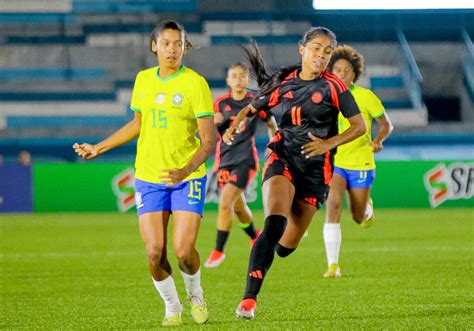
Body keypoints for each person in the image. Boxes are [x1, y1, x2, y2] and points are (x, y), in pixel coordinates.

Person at [73, 21, 216, 327]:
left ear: (184, 47)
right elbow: (138, 124)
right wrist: (99, 147)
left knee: (182, 250)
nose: (172, 49)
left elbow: (209, 140)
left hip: (186, 178)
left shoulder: (195, 84)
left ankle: (196, 293)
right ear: (154, 46)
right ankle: (172, 306)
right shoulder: (143, 80)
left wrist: (186, 170)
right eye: (165, 43)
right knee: (154, 252)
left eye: (178, 43)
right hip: (149, 178)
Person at [223, 27, 367, 319]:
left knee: (285, 248)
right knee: (274, 222)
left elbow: (359, 126)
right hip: (283, 156)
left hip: (316, 172)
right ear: (302, 49)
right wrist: (236, 122)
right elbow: (252, 108)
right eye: (316, 48)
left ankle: (290, 234)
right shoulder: (282, 82)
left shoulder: (334, 87)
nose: (321, 56)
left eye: (327, 51)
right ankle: (248, 300)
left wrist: (328, 143)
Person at [322, 45, 394, 278]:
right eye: (338, 69)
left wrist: (378, 140)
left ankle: (367, 211)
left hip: (362, 162)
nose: (342, 74)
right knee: (332, 205)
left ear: (355, 74)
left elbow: (386, 124)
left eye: (347, 70)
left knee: (357, 215)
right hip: (337, 162)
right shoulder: (326, 95)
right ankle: (333, 265)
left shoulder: (365, 96)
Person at [205, 63, 276, 268]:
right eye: (234, 76)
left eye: (242, 76)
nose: (238, 79)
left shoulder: (254, 102)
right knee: (238, 206)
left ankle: (218, 251)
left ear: (248, 80)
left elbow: (272, 122)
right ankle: (255, 237)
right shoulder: (219, 104)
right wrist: (214, 122)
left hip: (245, 160)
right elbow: (206, 130)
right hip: (224, 161)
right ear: (228, 81)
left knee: (226, 201)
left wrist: (273, 142)